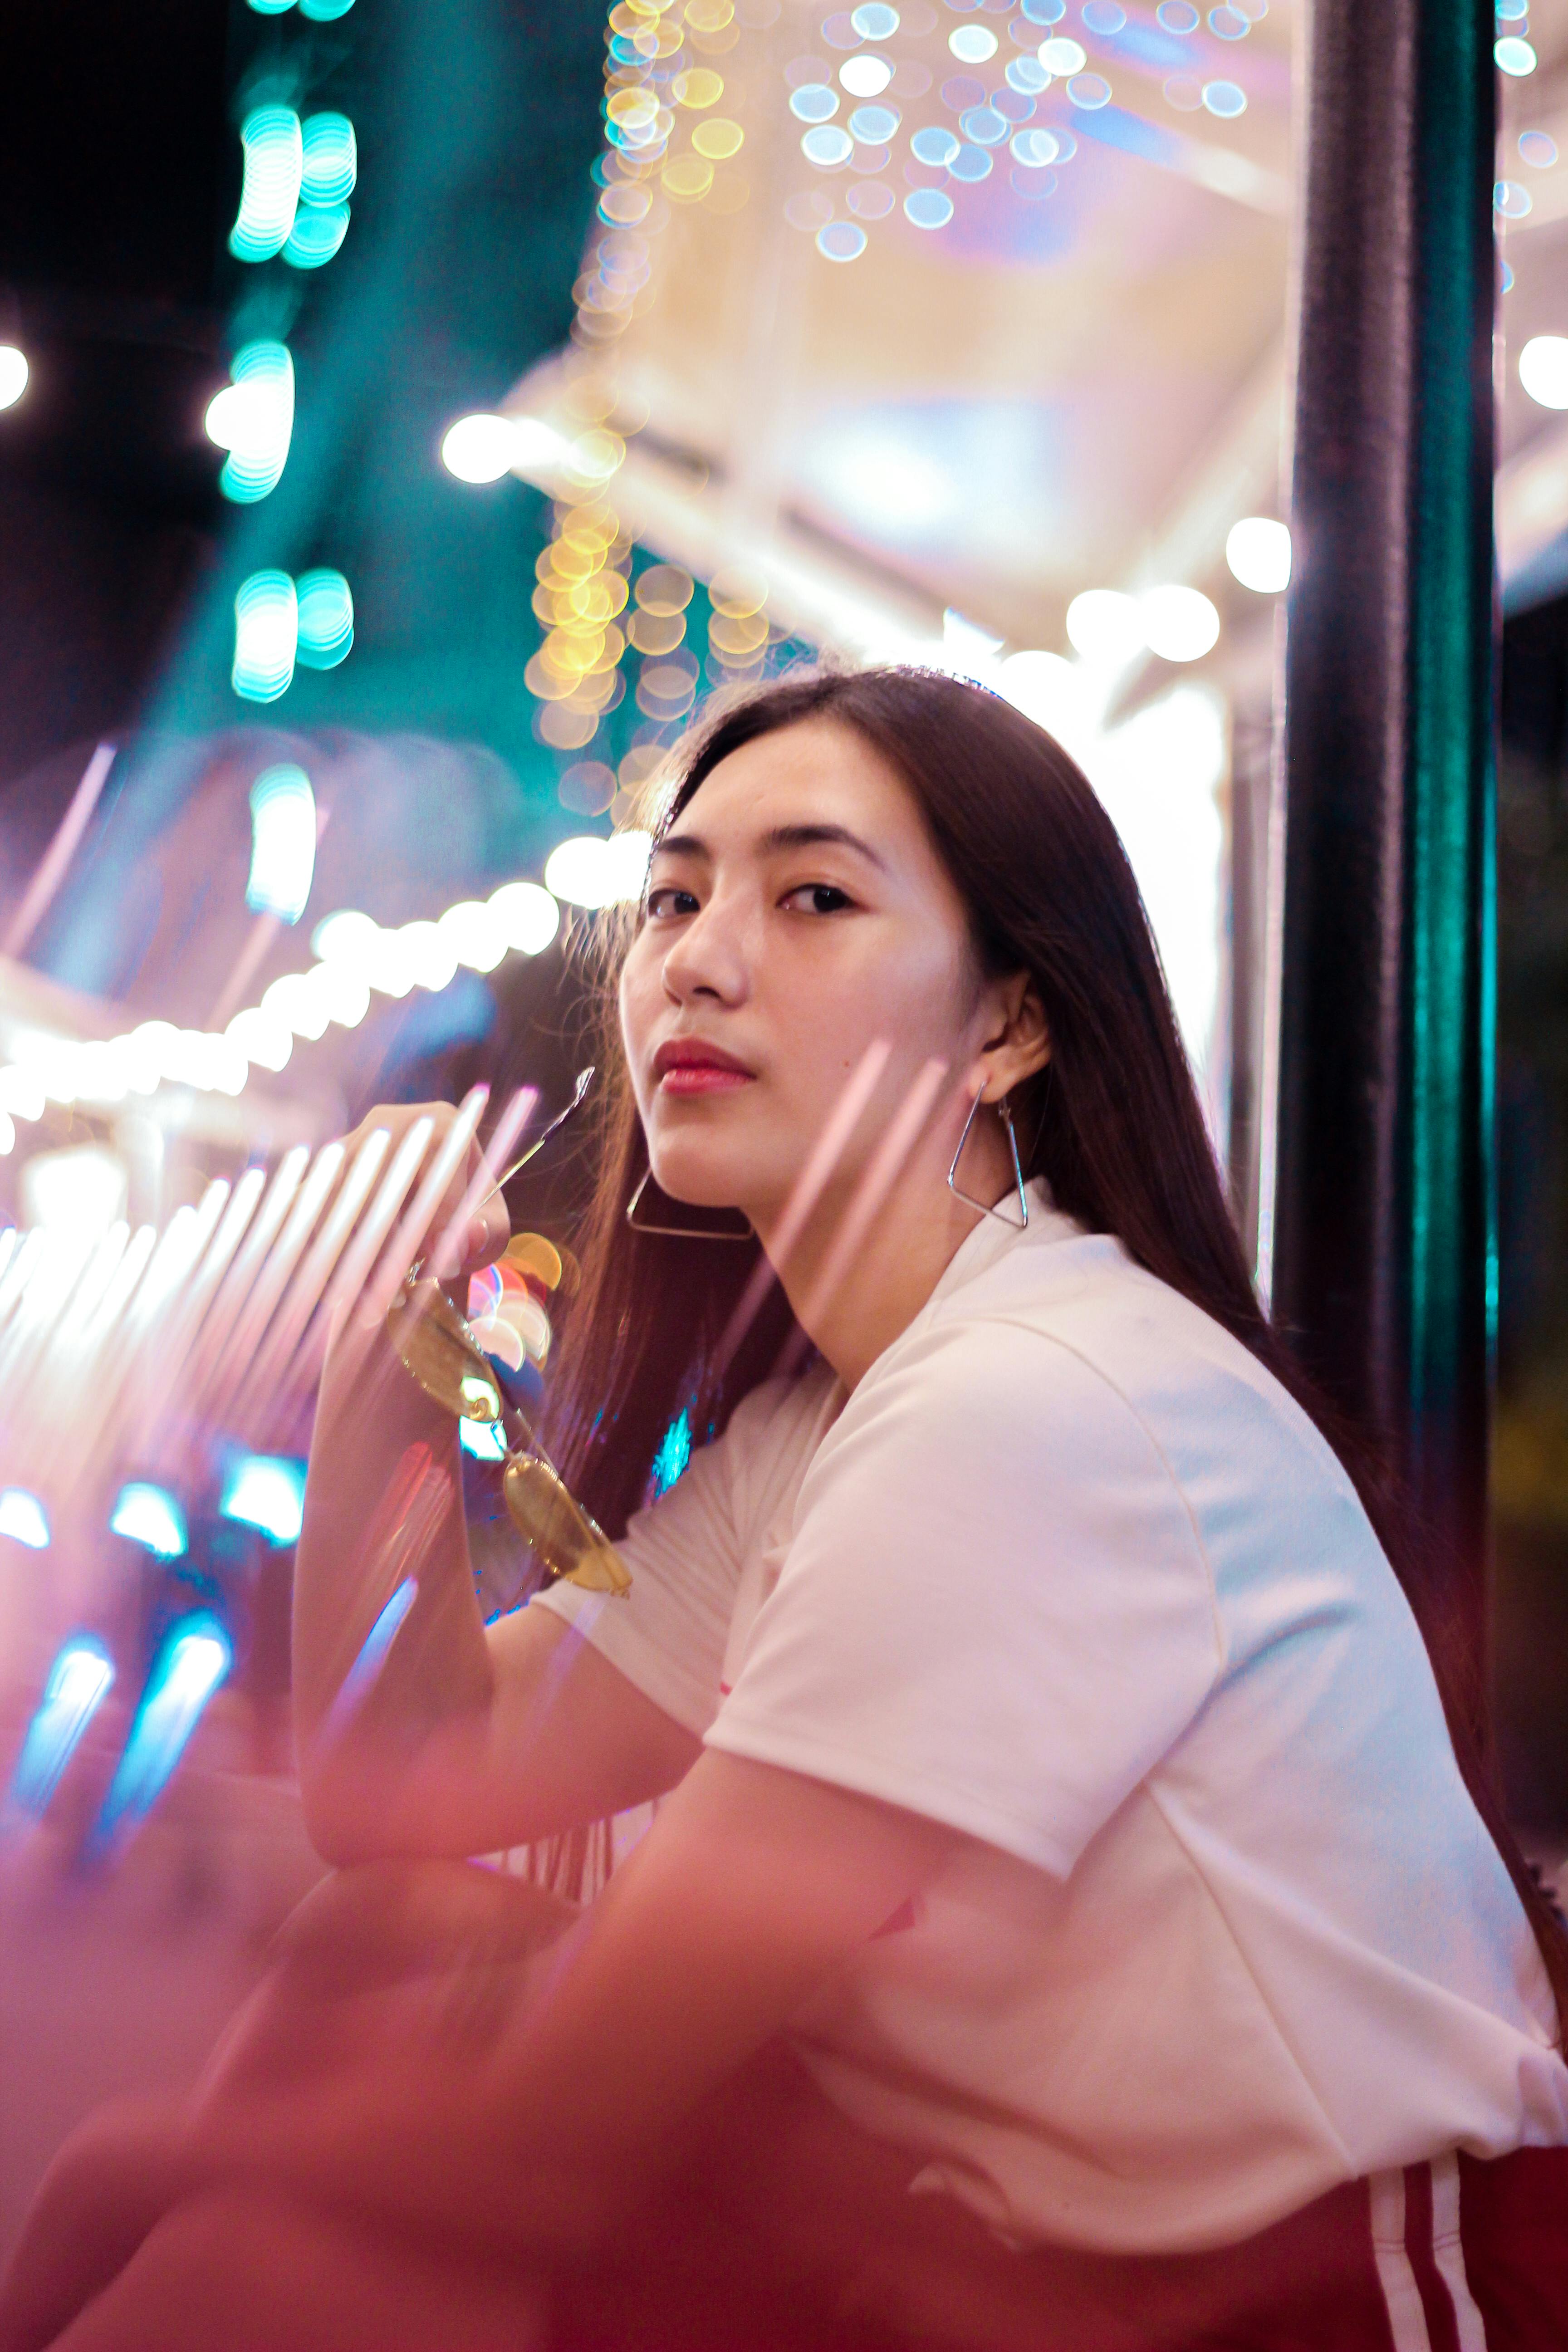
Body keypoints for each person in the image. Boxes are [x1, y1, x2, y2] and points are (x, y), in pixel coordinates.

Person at [5, 665, 1568, 2352]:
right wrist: (388, 1371)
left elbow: (559, 2125)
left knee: (270, 2253)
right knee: (399, 1938)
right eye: (673, 898)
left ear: (1007, 1025)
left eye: (812, 896)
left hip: (1308, 2297)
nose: (699, 956)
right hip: (990, 2246)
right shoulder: (833, 1418)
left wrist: (132, 2168)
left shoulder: (1033, 1407)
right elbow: (402, 1792)